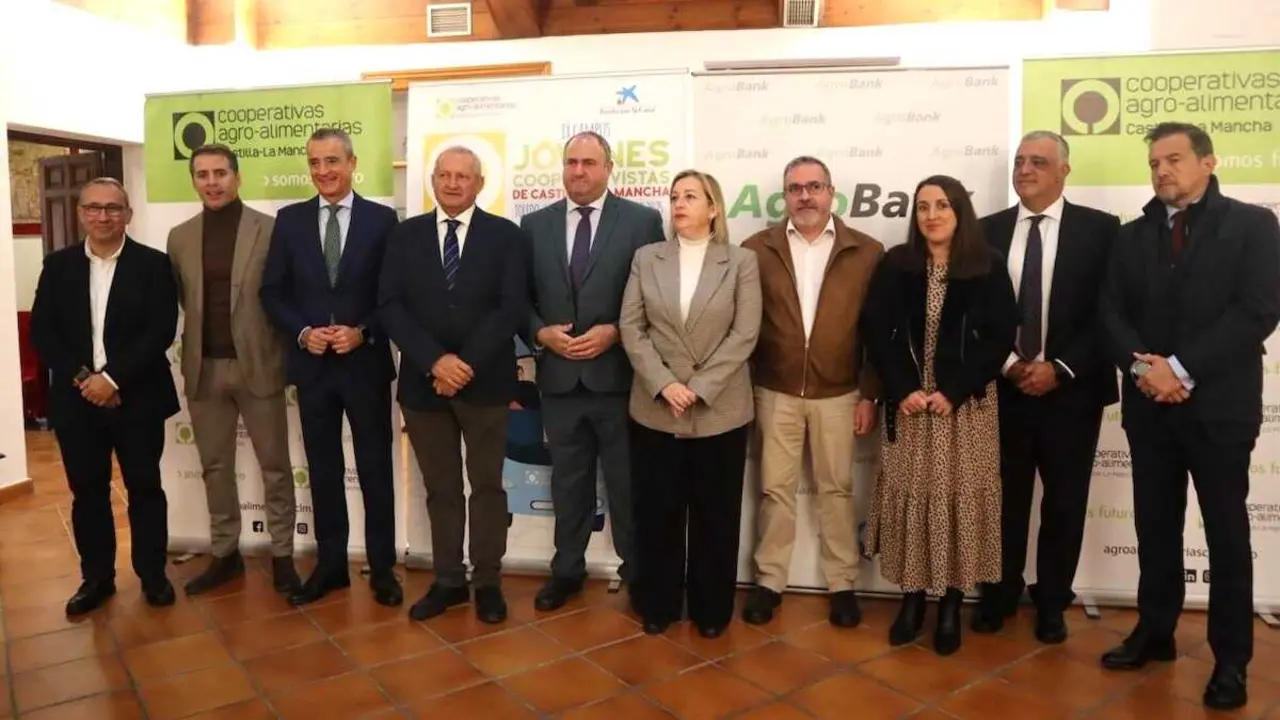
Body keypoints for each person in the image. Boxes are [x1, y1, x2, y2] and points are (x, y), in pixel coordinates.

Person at [1098, 122, 1279, 711]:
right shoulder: (1130, 236)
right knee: (1155, 525)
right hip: (1150, 409)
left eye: (1174, 159)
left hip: (1219, 409)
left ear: (1208, 162)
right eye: (1154, 162)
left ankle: (1231, 660)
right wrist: (1145, 369)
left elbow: (1257, 310)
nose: (1162, 171)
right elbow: (1110, 312)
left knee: (1226, 534)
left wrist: (1179, 367)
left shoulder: (1253, 226)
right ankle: (1155, 632)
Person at [860, 174, 1018, 656]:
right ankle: (912, 601)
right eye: (923, 207)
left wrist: (953, 390)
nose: (931, 215)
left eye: (942, 206)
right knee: (914, 498)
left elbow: (998, 337)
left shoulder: (987, 265)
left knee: (956, 502)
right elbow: (875, 329)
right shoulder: (897, 264)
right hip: (909, 408)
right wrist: (903, 388)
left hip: (964, 408)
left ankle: (950, 604)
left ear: (960, 212)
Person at [972, 131, 1120, 642]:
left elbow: (1110, 312)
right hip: (1003, 388)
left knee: (1065, 500)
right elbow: (975, 315)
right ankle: (1000, 593)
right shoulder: (986, 230)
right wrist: (1010, 362)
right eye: (1018, 161)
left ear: (1064, 171)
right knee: (1003, 499)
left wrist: (1058, 366)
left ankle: (1052, 598)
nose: (1025, 169)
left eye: (1038, 161)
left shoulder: (1102, 230)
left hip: (1072, 391)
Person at [379, 147, 527, 624]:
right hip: (425, 388)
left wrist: (463, 364)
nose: (453, 183)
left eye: (463, 176)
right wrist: (434, 362)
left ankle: (487, 582)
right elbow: (390, 306)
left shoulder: (505, 236)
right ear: (433, 180)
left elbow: (510, 307)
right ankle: (448, 581)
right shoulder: (405, 236)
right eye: (444, 174)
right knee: (440, 489)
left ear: (479, 184)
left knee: (486, 487)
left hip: (485, 384)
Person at [521, 131, 665, 611]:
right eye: (570, 162)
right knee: (568, 482)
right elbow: (519, 300)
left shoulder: (643, 222)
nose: (578, 171)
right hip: (560, 381)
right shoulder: (533, 225)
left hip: (620, 380)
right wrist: (540, 334)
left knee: (627, 483)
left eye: (588, 162)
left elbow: (655, 298)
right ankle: (567, 570)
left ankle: (639, 573)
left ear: (608, 168)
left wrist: (616, 332)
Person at [259, 128, 402, 608]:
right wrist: (303, 332)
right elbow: (272, 293)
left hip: (365, 366)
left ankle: (382, 568)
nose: (323, 171)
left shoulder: (383, 220)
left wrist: (363, 330)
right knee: (322, 469)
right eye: (315, 163)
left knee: (376, 469)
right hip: (314, 368)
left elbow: (395, 296)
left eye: (332, 162)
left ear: (352, 163)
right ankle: (331, 565)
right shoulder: (290, 220)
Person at [740, 156, 884, 629]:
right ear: (785, 196)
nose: (805, 196)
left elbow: (876, 332)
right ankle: (768, 582)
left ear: (831, 192)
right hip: (774, 390)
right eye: (796, 188)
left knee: (837, 491)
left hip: (840, 392)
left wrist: (870, 393)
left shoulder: (866, 251)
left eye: (814, 187)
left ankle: (842, 583)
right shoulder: (756, 249)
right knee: (774, 491)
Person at [619, 169, 761, 637]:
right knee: (658, 512)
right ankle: (658, 603)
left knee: (714, 515)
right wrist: (664, 383)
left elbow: (745, 333)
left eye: (691, 197)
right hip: (656, 407)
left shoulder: (740, 262)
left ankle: (711, 609)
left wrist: (699, 387)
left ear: (713, 208)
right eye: (674, 196)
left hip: (719, 409)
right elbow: (631, 328)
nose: (679, 204)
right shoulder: (647, 258)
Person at [30, 178, 180, 615]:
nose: (103, 216)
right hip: (78, 402)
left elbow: (160, 331)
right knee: (88, 493)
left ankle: (153, 575)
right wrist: (87, 380)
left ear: (128, 214)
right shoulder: (57, 266)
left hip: (138, 397)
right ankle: (97, 578)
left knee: (145, 489)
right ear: (80, 213)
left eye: (113, 208)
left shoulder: (154, 265)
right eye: (93, 208)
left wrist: (112, 379)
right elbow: (44, 331)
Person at [167, 144, 301, 596]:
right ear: (194, 181)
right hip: (204, 370)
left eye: (220, 173)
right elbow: (185, 301)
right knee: (214, 466)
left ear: (237, 177)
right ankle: (225, 554)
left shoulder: (270, 230)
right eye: (202, 174)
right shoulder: (180, 237)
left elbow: (284, 294)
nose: (212, 182)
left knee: (276, 467)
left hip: (258, 366)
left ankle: (283, 555)